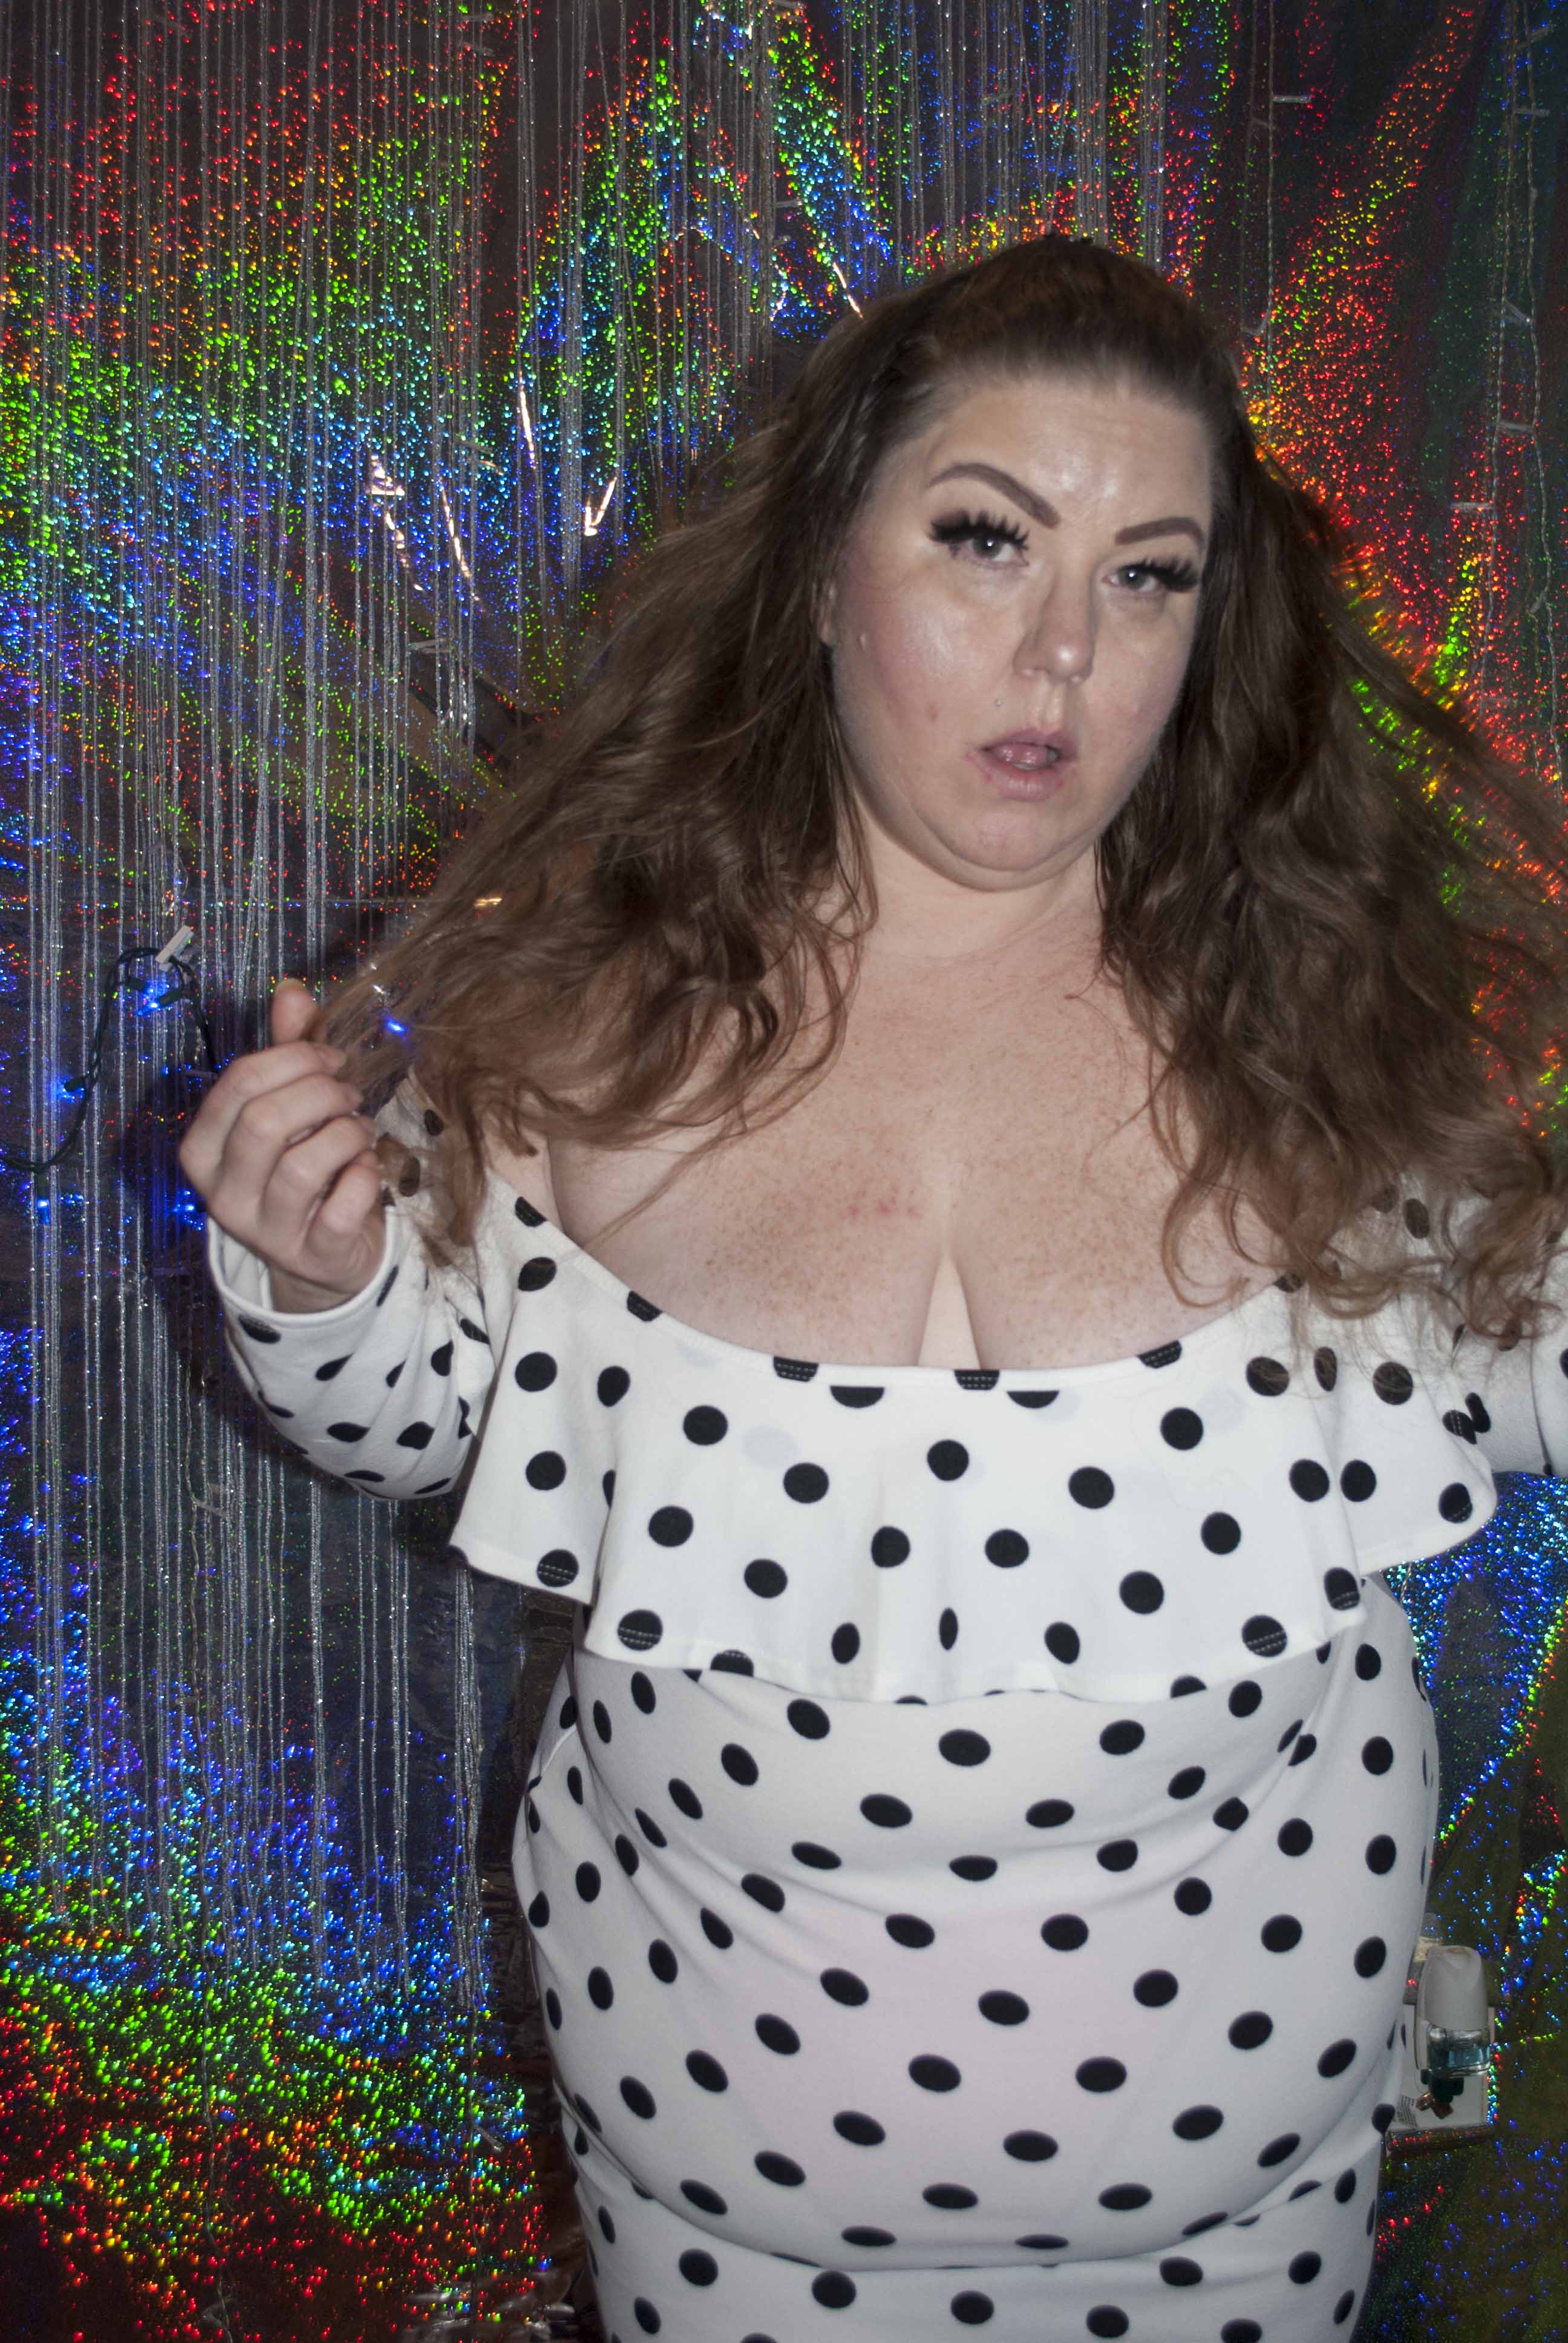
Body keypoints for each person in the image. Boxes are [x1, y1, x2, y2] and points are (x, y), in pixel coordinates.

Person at [179, 236, 1568, 2341]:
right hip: (718, 2225)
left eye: (1150, 577)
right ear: (825, 565)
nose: (1063, 652)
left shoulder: (1321, 1030)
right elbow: (418, 1420)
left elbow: (1522, 1364)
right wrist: (318, 1273)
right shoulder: (577, 1012)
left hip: (1245, 2223)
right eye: (987, 540)